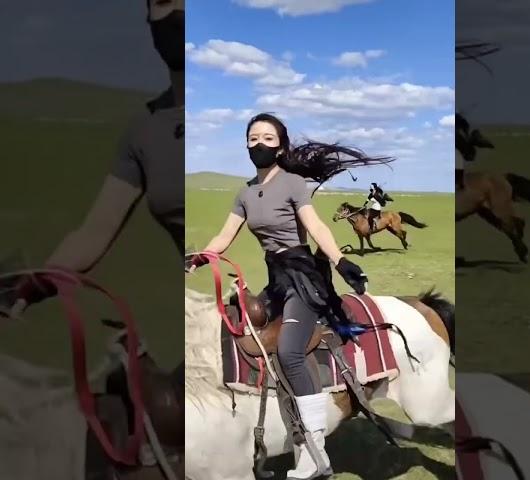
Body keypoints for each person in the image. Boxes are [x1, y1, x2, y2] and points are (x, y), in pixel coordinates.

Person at [188, 112, 394, 480]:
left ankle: (315, 451)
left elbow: (315, 226)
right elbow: (224, 236)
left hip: (304, 278)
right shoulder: (245, 192)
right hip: (276, 281)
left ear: (280, 146)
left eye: (268, 138)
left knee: (289, 350)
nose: (259, 144)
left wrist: (341, 260)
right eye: (253, 138)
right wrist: (200, 257)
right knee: (238, 330)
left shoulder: (294, 183)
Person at [8, 0, 186, 388]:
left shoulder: (256, 120)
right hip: (201, 321)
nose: (177, 12)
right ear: (148, 18)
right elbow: (93, 232)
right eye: (163, 2)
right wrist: (29, 284)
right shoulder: (145, 132)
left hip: (257, 304)